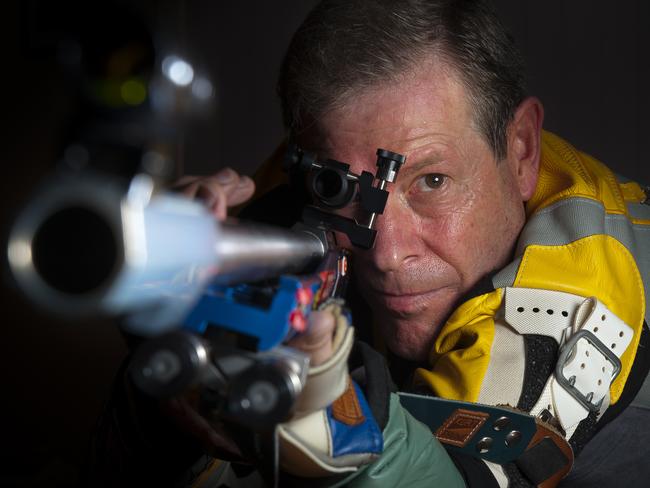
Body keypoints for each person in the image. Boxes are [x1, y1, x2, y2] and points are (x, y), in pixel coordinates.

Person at [88, 1, 650, 486]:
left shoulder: (576, 288)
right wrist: (168, 380)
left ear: (522, 151)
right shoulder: (301, 198)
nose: (385, 253)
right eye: (339, 188)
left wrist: (336, 416)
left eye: (432, 182)